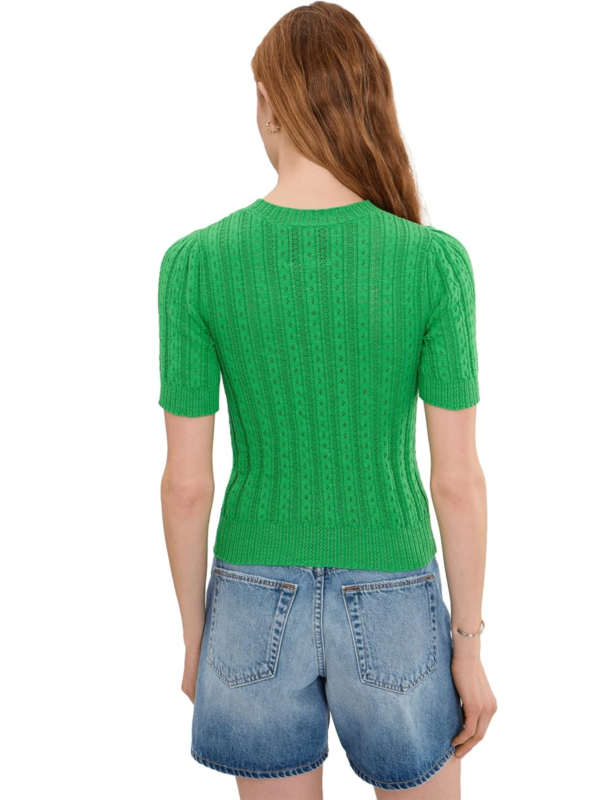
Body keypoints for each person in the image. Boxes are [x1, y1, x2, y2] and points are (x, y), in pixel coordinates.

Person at [158, 3, 496, 798]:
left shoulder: (195, 264)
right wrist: (469, 644)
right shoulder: (433, 263)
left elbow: (186, 486)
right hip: (394, 591)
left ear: (269, 103)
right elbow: (457, 480)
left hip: (248, 594)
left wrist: (196, 638)